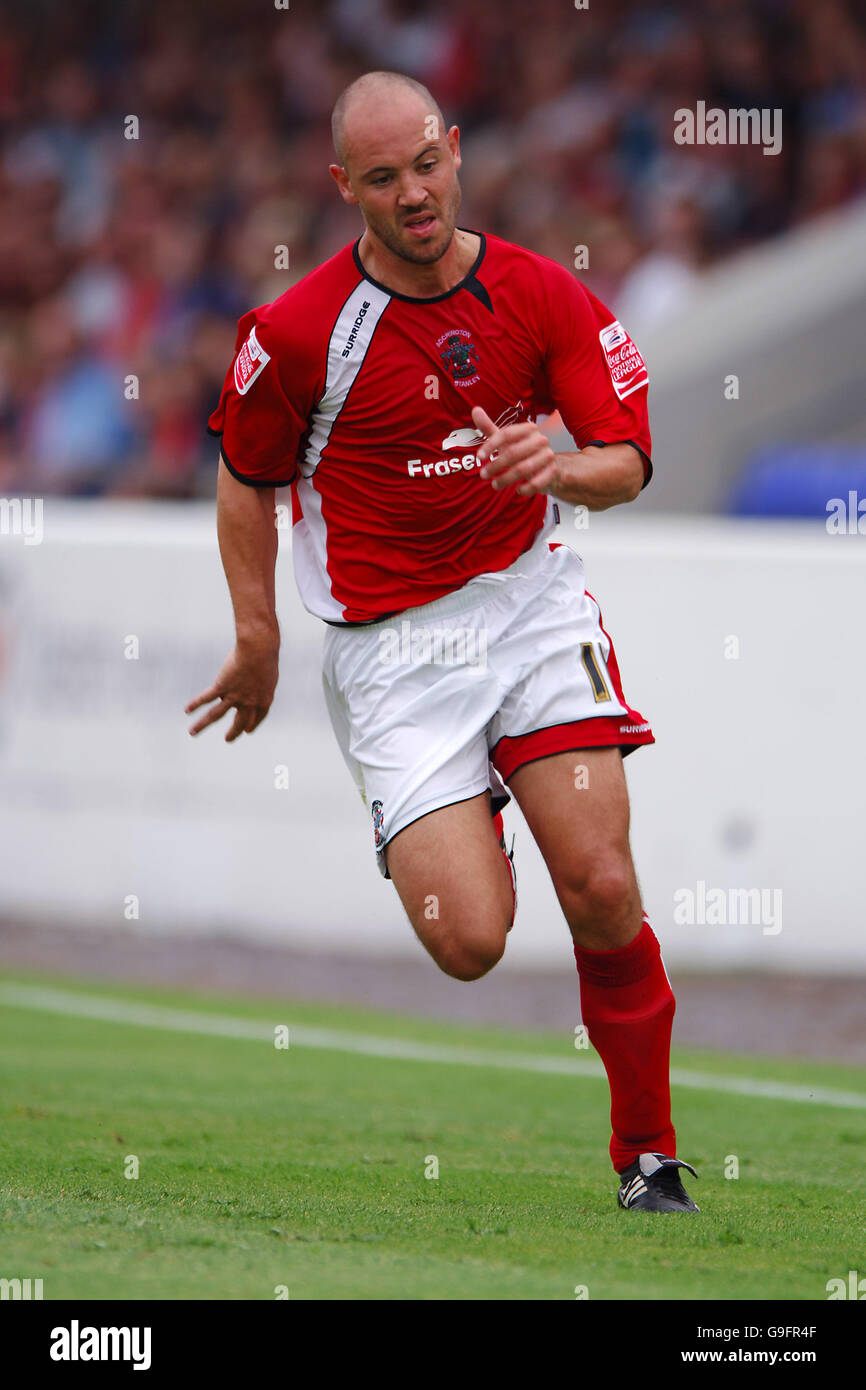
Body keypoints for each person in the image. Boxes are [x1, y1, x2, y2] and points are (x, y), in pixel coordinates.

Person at [187, 70, 698, 1214]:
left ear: (454, 149)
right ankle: (475, 807)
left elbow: (623, 460)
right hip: (391, 657)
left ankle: (648, 1156)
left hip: (525, 609)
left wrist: (555, 465)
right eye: (383, 178)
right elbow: (242, 485)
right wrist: (258, 636)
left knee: (603, 882)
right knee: (466, 940)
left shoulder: (543, 294)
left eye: (426, 163)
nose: (413, 192)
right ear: (343, 186)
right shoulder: (297, 329)